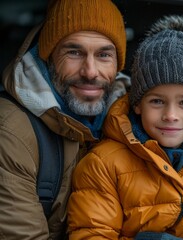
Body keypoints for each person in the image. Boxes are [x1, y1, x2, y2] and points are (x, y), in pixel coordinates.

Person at [67, 15, 183, 239]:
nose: (171, 115)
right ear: (138, 105)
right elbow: (91, 234)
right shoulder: (103, 164)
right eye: (157, 101)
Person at [0, 0, 128, 239]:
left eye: (104, 55)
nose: (90, 71)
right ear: (48, 57)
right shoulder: (11, 131)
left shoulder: (140, 122)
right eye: (74, 52)